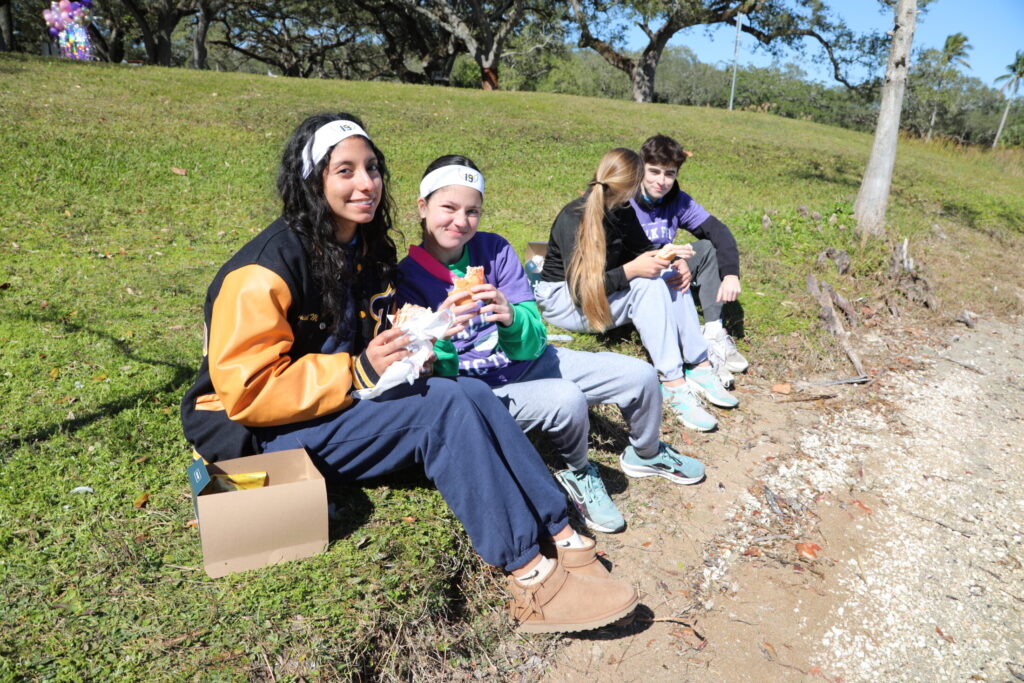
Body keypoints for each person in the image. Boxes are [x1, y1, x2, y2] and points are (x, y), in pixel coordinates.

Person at [179, 113, 638, 634]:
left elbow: (375, 333)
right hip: (260, 433)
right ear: (313, 180)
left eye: (372, 168)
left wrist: (421, 337)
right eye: (345, 171)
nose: (365, 183)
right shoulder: (265, 269)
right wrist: (357, 370)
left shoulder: (363, 249)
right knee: (439, 412)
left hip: (335, 405)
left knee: (464, 388)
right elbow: (248, 391)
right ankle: (531, 579)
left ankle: (559, 532)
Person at [396, 155, 705, 535]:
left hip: (533, 361)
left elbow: (534, 340)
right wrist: (440, 336)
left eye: (472, 211)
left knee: (641, 375)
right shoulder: (404, 280)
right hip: (482, 390)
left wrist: (510, 317)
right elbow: (435, 380)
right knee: (566, 398)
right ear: (423, 206)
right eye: (448, 207)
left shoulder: (494, 251)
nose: (460, 221)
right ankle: (577, 471)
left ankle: (647, 452)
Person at [535, 148, 738, 433]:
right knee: (645, 281)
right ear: (630, 185)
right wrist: (633, 270)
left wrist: (672, 260)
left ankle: (699, 364)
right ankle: (671, 382)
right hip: (564, 303)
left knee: (666, 274)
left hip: (598, 296)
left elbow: (646, 250)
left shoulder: (624, 209)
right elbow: (582, 292)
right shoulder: (575, 217)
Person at [630, 134, 749, 383]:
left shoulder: (678, 201)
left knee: (706, 247)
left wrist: (730, 274)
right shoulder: (625, 198)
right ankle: (684, 357)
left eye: (669, 174)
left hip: (666, 267)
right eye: (654, 172)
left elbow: (718, 231)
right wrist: (669, 258)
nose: (661, 181)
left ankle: (714, 331)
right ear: (641, 168)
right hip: (636, 274)